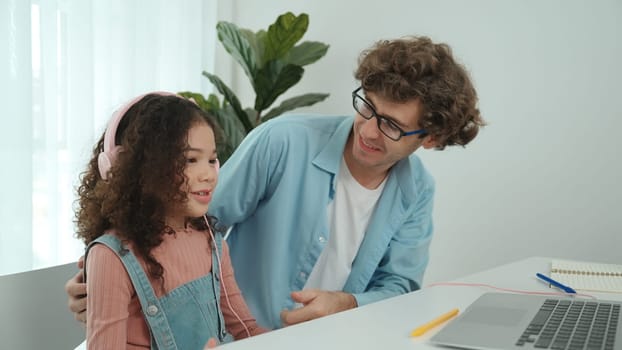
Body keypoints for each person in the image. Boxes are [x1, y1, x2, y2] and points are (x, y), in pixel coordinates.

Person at [66, 35, 485, 330]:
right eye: (368, 107)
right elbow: (187, 218)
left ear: (430, 138)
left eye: (392, 125)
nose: (370, 131)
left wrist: (347, 304)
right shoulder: (283, 141)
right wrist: (109, 277)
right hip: (233, 336)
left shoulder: (417, 192)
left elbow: (400, 286)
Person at [74, 92, 266, 349]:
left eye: (211, 160)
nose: (208, 174)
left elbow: (246, 329)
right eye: (190, 160)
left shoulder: (211, 241)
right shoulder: (111, 257)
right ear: (141, 168)